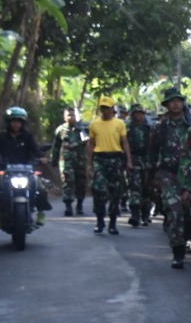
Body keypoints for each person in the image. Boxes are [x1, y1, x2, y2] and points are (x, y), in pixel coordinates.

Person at [150, 87, 191, 267]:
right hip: (169, 175)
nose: (175, 104)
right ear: (167, 105)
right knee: (174, 212)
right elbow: (153, 151)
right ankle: (178, 252)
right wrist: (153, 176)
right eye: (172, 101)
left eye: (178, 101)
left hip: (190, 175)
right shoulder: (160, 128)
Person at [0, 106, 51, 226]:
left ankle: (41, 213)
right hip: (6, 169)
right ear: (9, 122)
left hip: (26, 170)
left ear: (22, 122)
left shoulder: (28, 136)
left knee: (41, 188)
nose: (16, 124)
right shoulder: (1, 136)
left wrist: (42, 157)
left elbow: (35, 149)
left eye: (18, 121)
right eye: (13, 121)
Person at [86, 96, 132, 235]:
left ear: (113, 109)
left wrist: (129, 161)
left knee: (115, 193)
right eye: (102, 108)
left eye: (107, 108)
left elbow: (124, 143)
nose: (105, 110)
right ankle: (100, 220)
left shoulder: (119, 124)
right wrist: (88, 164)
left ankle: (112, 223)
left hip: (115, 159)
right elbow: (91, 144)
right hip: (100, 159)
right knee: (98, 190)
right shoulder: (94, 124)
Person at [51, 108, 88, 216]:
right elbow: (56, 147)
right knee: (67, 182)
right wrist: (54, 160)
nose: (71, 117)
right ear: (64, 117)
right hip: (66, 161)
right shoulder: (60, 130)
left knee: (81, 182)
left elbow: (89, 142)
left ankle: (80, 205)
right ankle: (68, 206)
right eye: (69, 115)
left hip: (81, 160)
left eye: (73, 115)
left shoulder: (82, 129)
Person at [126, 103, 152, 227]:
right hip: (133, 159)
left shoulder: (149, 128)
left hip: (147, 160)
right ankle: (135, 214)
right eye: (136, 113)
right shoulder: (128, 129)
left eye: (140, 113)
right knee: (134, 187)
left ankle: (146, 215)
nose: (138, 116)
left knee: (147, 188)